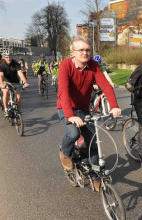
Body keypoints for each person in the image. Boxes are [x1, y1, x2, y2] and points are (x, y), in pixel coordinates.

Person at [57, 36, 121, 191]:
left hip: (84, 109)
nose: (85, 53)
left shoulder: (94, 65)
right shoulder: (65, 65)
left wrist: (114, 106)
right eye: (81, 50)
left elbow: (105, 85)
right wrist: (70, 115)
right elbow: (64, 92)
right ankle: (65, 153)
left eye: (87, 50)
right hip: (66, 108)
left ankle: (93, 174)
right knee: (73, 134)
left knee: (93, 140)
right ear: (73, 53)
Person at [0, 50, 29, 117]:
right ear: (4, 57)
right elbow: (0, 75)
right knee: (6, 92)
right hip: (6, 81)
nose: (8, 58)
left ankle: (17, 111)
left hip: (15, 81)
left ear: (12, 57)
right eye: (7, 57)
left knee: (18, 97)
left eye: (10, 57)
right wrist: (1, 84)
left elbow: (20, 73)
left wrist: (25, 82)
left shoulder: (15, 63)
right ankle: (6, 110)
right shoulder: (1, 66)